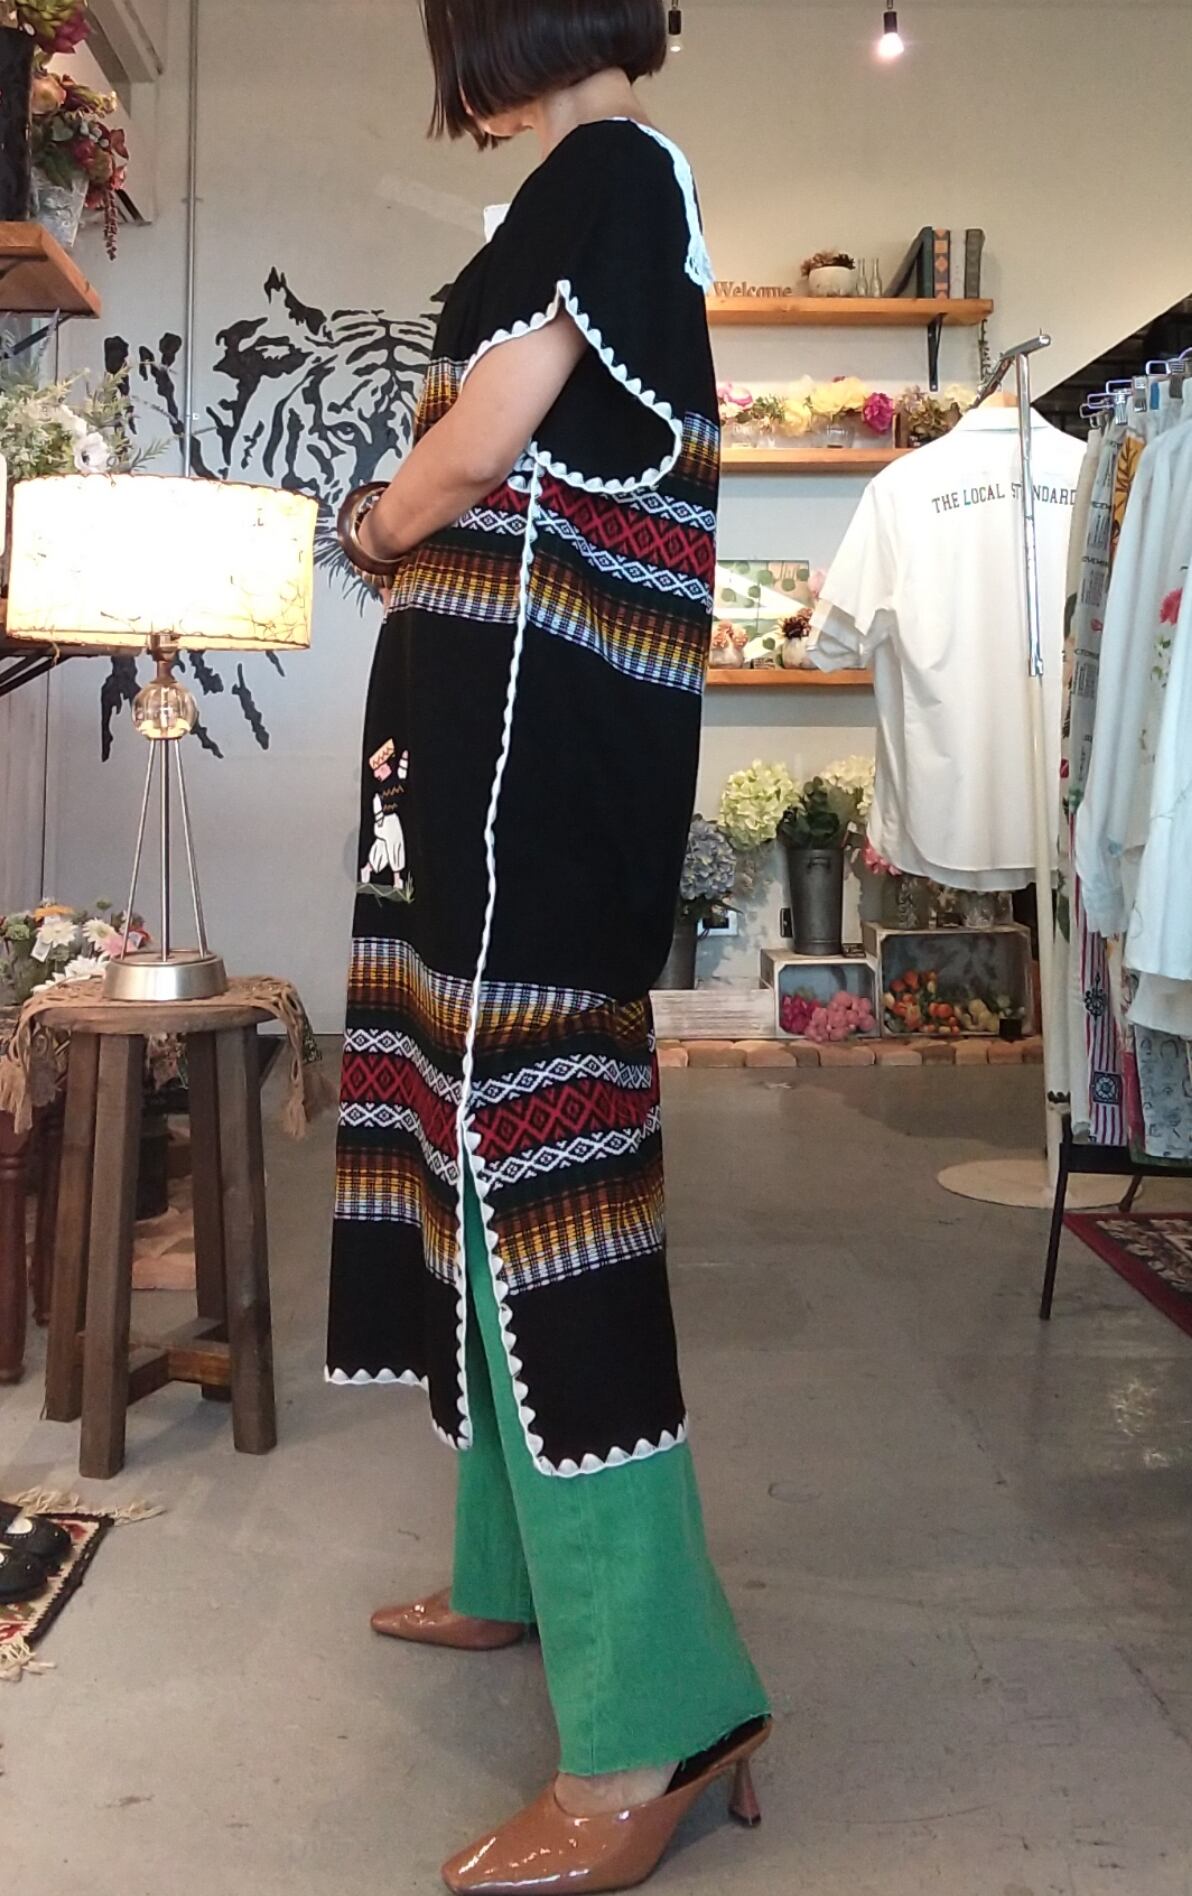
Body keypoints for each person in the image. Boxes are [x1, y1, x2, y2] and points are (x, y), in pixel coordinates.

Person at [327, 2, 769, 1887]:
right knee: (484, 1162)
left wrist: (380, 521)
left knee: (546, 1190)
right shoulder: (606, 184)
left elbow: (486, 433)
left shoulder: (605, 172)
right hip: (493, 776)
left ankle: (658, 1716)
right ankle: (516, 1572)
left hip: (529, 788)